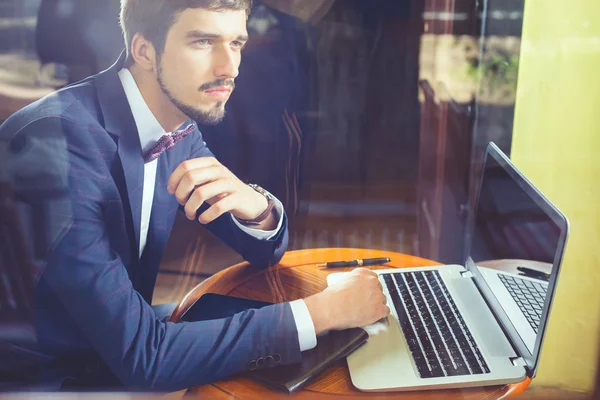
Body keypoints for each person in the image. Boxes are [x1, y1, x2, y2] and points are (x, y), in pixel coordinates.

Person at [0, 0, 389, 392]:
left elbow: (264, 251)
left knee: (348, 353)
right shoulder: (56, 146)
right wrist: (320, 313)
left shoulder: (176, 123)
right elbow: (145, 359)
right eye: (203, 42)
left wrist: (256, 207)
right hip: (44, 378)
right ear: (145, 51)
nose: (229, 67)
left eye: (236, 43)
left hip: (109, 346)